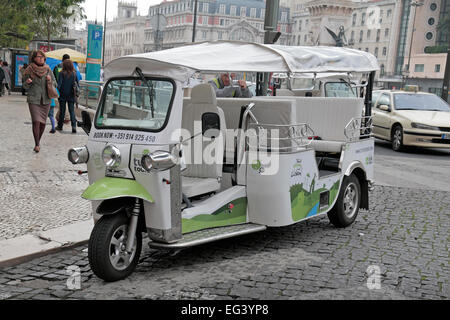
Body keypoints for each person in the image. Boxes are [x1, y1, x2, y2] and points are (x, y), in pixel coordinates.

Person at [23, 50, 58, 153]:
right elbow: (24, 86)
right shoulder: (29, 69)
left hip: (46, 99)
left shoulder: (48, 70)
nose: (41, 58)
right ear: (34, 58)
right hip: (34, 99)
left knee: (43, 123)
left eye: (42, 57)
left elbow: (55, 84)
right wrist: (28, 82)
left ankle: (38, 141)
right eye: (38, 57)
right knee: (36, 121)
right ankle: (37, 144)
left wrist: (49, 80)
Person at [56, 59, 79, 133]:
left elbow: (59, 85)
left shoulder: (61, 73)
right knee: (71, 111)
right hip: (71, 95)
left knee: (62, 111)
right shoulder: (74, 74)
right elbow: (77, 84)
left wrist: (57, 92)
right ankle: (74, 127)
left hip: (62, 95)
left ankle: (60, 126)